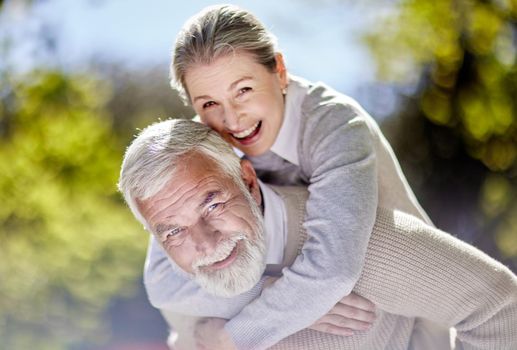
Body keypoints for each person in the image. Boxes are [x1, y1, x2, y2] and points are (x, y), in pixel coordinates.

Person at [146, 4, 445, 349]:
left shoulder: (336, 125)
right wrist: (269, 293)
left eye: (243, 90)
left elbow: (332, 271)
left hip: (410, 319)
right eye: (209, 104)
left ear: (280, 71)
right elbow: (163, 285)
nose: (232, 119)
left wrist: (231, 335)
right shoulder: (200, 154)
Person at [118, 119, 517, 350]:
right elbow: (189, 339)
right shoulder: (183, 276)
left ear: (247, 180)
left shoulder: (356, 240)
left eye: (212, 205)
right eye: (172, 230)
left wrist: (303, 294)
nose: (205, 244)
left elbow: (499, 309)